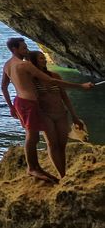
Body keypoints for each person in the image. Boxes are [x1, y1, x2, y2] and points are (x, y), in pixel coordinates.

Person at [0, 36, 93, 182]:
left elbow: (4, 87)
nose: (27, 50)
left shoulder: (7, 65)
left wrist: (11, 106)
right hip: (28, 103)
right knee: (32, 137)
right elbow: (50, 80)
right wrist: (81, 86)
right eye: (23, 48)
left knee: (34, 137)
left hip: (20, 102)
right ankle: (32, 168)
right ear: (14, 49)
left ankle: (36, 167)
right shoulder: (25, 65)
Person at [31, 50, 86, 178]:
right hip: (45, 115)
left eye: (44, 58)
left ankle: (64, 172)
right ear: (33, 61)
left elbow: (65, 97)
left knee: (62, 144)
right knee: (52, 144)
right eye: (40, 58)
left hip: (61, 113)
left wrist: (74, 116)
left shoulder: (55, 76)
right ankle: (61, 175)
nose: (44, 60)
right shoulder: (33, 80)